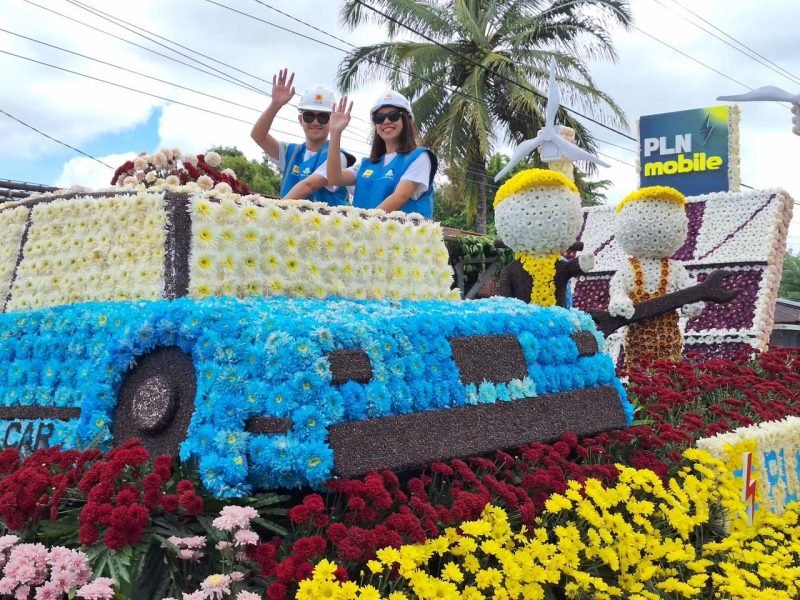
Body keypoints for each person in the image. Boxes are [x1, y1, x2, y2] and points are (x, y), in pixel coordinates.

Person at [326, 90, 437, 218]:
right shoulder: (367, 164)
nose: (386, 121)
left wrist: (363, 223)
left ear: (406, 120)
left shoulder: (420, 157)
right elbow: (334, 178)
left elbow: (400, 196)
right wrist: (335, 132)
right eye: (379, 118)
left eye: (393, 116)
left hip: (398, 236)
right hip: (366, 235)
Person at [250, 68, 354, 205]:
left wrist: (276, 209)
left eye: (323, 117)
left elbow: (309, 186)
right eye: (309, 116)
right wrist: (275, 105)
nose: (315, 122)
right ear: (300, 119)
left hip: (324, 225)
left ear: (332, 121)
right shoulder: (291, 152)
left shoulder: (337, 156)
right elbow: (258, 136)